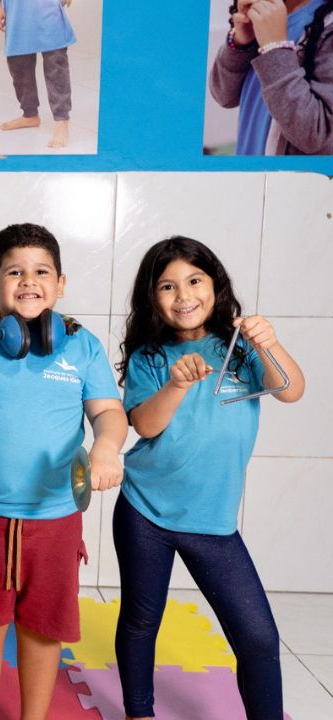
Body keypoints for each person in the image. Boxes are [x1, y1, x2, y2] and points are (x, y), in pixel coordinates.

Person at [0, 223, 126, 720]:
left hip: (56, 516)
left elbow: (108, 412)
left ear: (61, 283)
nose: (29, 281)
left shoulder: (81, 346)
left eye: (41, 272)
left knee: (43, 626)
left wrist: (105, 449)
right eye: (14, 272)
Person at [113, 236, 304, 720]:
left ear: (215, 286)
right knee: (140, 620)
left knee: (258, 639)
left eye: (194, 280)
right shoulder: (150, 359)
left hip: (213, 523)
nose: (183, 295)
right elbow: (145, 425)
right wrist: (177, 383)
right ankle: (139, 712)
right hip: (145, 511)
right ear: (151, 298)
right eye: (167, 286)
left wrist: (270, 342)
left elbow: (290, 390)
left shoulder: (239, 349)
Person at [210, 0, 333, 155]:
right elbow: (224, 95)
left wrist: (275, 48)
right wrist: (240, 44)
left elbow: (319, 135)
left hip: (285, 178)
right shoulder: (265, 12)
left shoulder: (327, 26)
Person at [0, 0, 77, 148]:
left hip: (46, 6)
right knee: (19, 65)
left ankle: (61, 120)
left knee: (55, 63)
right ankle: (30, 114)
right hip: (16, 11)